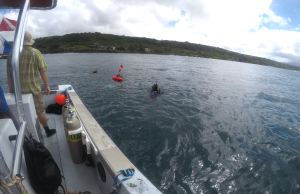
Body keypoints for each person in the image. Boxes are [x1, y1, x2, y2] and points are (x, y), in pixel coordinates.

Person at [7, 31, 56, 137]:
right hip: (34, 89)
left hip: (19, 91)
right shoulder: (35, 52)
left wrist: (11, 89)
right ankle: (48, 131)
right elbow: (42, 71)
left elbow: (9, 75)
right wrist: (47, 86)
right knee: (40, 111)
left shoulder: (11, 54)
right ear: (29, 41)